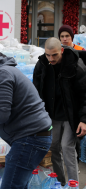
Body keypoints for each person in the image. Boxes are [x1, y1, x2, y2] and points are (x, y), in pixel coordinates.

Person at [0, 45, 52, 188]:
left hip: (30, 137)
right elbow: (11, 112)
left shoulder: (1, 74)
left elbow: (1, 114)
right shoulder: (4, 71)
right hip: (33, 135)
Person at [33, 37, 86, 185]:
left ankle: (73, 184)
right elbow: (36, 91)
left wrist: (83, 120)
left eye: (55, 55)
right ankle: (60, 183)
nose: (51, 58)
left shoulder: (75, 66)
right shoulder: (42, 65)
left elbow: (84, 95)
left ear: (61, 50)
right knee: (53, 147)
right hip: (52, 115)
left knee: (66, 146)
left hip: (70, 115)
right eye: (48, 55)